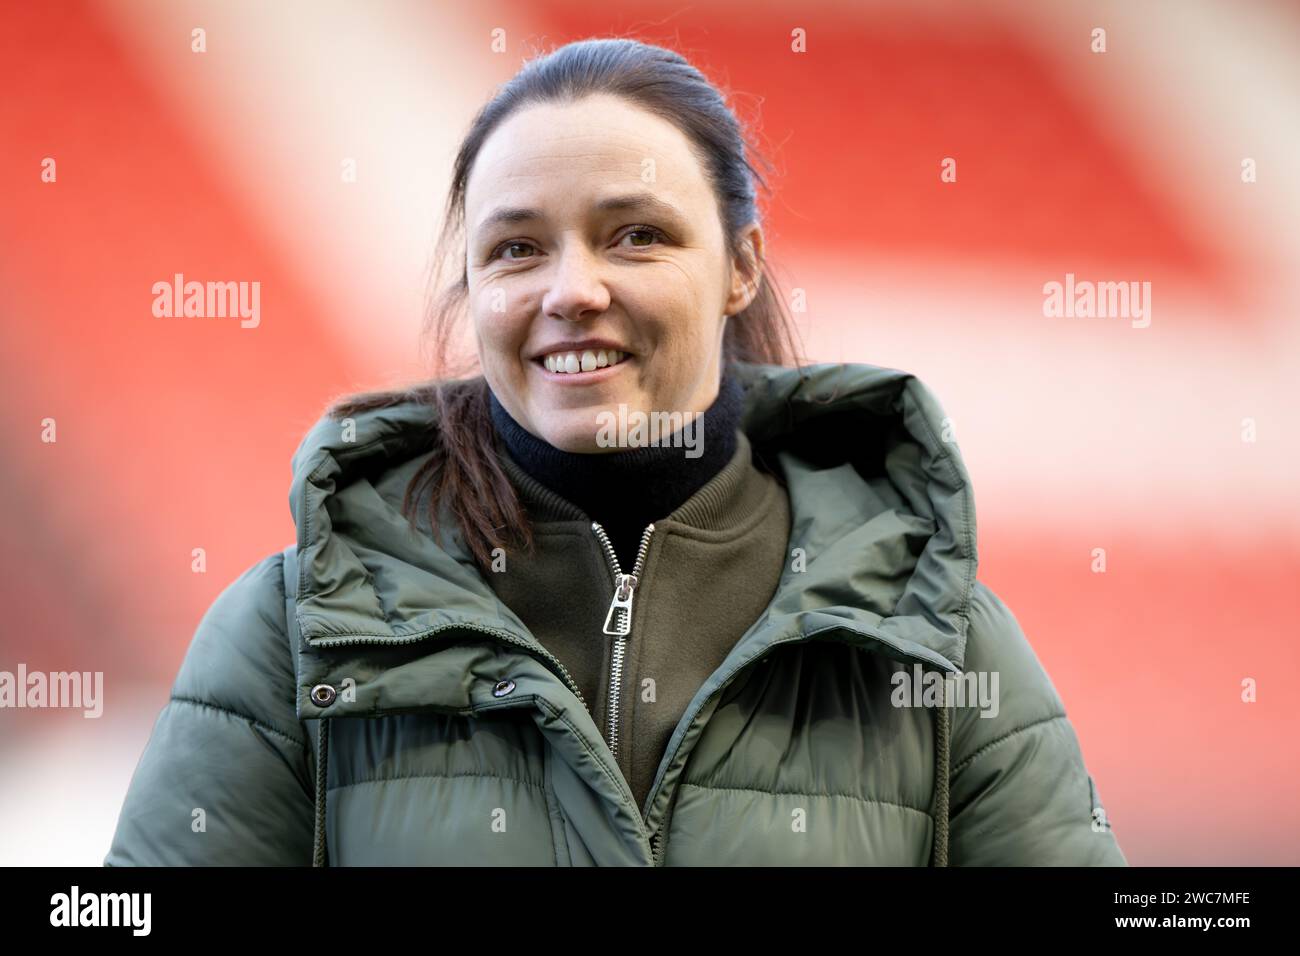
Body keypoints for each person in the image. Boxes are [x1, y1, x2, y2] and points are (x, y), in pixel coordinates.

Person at [105, 37, 1126, 866]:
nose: (571, 290)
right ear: (471, 290)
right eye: (516, 248)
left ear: (740, 267)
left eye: (634, 234)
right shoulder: (295, 633)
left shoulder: (930, 634)